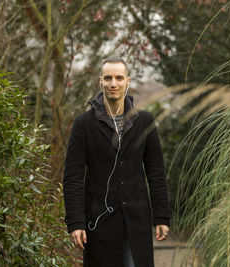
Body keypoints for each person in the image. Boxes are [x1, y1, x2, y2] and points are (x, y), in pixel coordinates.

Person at [63, 56, 171, 267]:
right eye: (108, 78)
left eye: (119, 78)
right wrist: (75, 222)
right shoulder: (83, 124)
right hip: (99, 222)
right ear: (100, 81)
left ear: (127, 82)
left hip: (136, 220)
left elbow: (156, 172)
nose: (114, 84)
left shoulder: (145, 121)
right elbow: (73, 177)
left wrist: (161, 216)